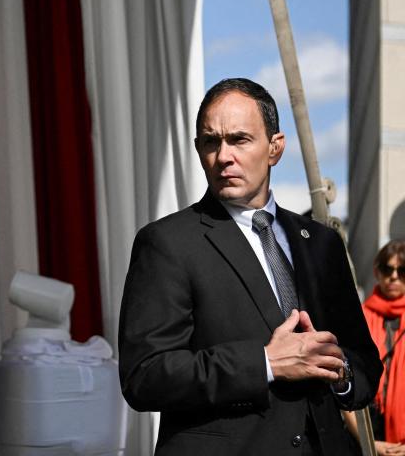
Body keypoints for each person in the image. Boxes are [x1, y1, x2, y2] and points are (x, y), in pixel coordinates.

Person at [119, 77, 382, 455]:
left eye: (239, 139)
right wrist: (265, 364)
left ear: (275, 148)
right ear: (198, 149)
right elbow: (144, 377)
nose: (223, 155)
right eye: (211, 141)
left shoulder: (321, 243)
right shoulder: (166, 243)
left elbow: (364, 363)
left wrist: (339, 370)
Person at [343, 241, 405, 455]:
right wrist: (367, 442)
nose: (394, 277)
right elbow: (343, 380)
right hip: (365, 435)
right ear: (377, 272)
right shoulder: (357, 318)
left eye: (402, 270)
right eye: (388, 269)